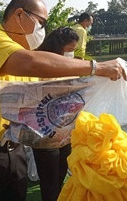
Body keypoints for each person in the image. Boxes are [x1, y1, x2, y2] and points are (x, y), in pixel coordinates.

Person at [0, 0, 125, 201]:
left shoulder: (22, 60)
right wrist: (95, 67)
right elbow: (30, 62)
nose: (42, 31)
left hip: (12, 153)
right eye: (41, 23)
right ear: (19, 15)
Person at [33, 26, 79, 201]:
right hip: (43, 131)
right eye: (69, 51)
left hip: (64, 130)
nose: (71, 55)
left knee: (61, 173)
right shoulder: (37, 62)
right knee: (49, 180)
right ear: (57, 46)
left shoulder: (66, 65)